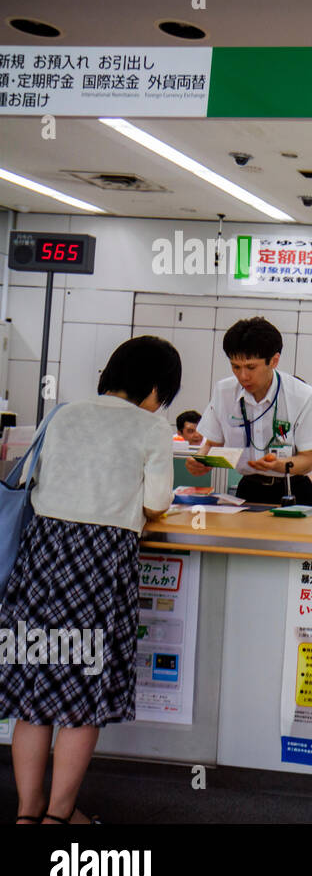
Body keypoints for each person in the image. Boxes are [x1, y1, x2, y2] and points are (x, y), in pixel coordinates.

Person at [0, 336, 180, 824]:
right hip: (98, 566)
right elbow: (157, 503)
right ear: (157, 387)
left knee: (33, 694)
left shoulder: (62, 414)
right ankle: (59, 819)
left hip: (42, 557)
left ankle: (26, 812)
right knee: (80, 699)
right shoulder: (152, 427)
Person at [186, 318, 312, 506]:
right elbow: (212, 444)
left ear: (274, 361)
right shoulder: (224, 392)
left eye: (251, 367)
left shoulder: (303, 396)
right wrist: (201, 460)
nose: (243, 376)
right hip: (248, 488)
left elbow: (308, 461)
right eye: (235, 367)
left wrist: (279, 466)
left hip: (293, 489)